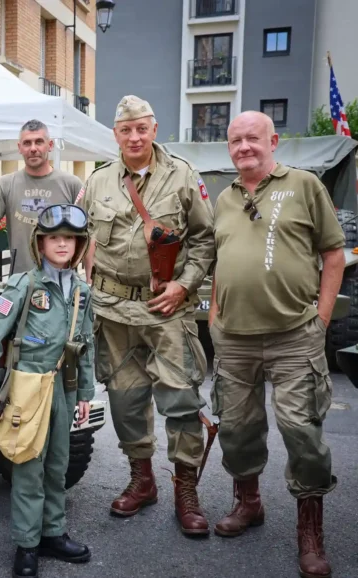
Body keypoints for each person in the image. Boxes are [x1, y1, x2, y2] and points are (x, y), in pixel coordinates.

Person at [208, 111, 344, 578]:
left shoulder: (305, 185)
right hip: (234, 339)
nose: (244, 147)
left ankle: (310, 534)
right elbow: (216, 262)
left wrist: (321, 319)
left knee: (302, 433)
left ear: (273, 141)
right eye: (235, 141)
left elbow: (333, 254)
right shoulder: (223, 199)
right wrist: (213, 318)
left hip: (294, 336)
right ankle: (249, 504)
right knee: (237, 430)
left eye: (252, 139)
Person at [77, 95, 215, 535]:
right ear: (115, 134)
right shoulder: (97, 181)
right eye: (125, 130)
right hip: (113, 310)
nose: (134, 137)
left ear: (154, 129)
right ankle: (142, 479)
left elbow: (205, 239)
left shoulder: (183, 176)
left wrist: (184, 285)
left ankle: (185, 489)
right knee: (124, 398)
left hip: (166, 309)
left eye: (141, 128)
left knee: (181, 400)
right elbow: (79, 239)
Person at [0, 203, 95, 578]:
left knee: (58, 465)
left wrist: (86, 395)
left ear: (79, 245)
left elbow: (85, 344)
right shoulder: (24, 285)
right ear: (40, 243)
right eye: (54, 238)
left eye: (70, 239)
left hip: (65, 387)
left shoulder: (80, 291)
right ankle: (27, 544)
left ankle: (52, 533)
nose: (63, 245)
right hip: (28, 385)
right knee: (28, 464)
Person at [0, 119, 82, 279]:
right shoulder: (5, 184)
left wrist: (90, 278)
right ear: (19, 148)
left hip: (62, 285)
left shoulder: (71, 184)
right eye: (27, 143)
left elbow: (89, 234)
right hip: (20, 284)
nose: (33, 148)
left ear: (49, 146)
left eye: (39, 142)